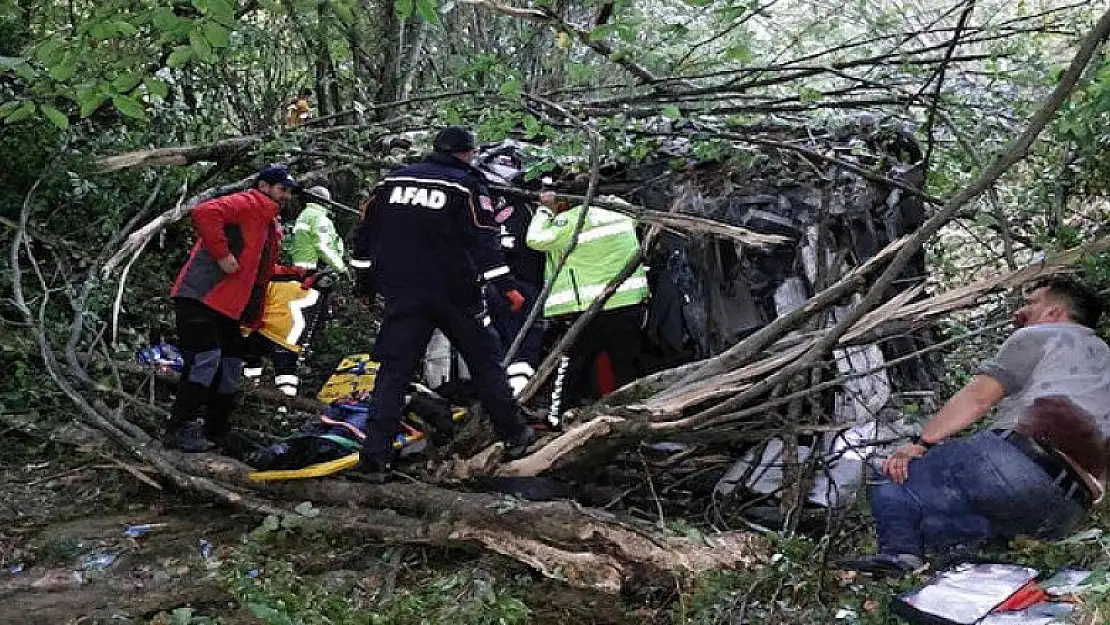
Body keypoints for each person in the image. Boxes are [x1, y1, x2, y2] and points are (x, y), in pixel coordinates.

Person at [841, 277, 1110, 577]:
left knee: (889, 470)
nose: (1021, 310)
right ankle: (956, 565)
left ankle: (898, 555)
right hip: (1068, 509)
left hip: (1020, 463)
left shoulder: (1043, 334)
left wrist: (921, 443)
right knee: (941, 523)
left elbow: (978, 397)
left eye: (1032, 303)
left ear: (1054, 312)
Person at [350, 126, 537, 479]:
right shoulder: (465, 186)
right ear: (466, 153)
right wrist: (507, 286)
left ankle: (373, 460)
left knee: (393, 374)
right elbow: (485, 241)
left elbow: (362, 237)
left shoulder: (389, 184)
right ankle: (515, 434)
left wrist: (364, 283)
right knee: (486, 363)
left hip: (403, 293)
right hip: (455, 293)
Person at [166, 166, 303, 452]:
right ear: (265, 186)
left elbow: (259, 267)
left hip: (227, 306)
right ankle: (181, 428)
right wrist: (222, 254)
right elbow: (204, 212)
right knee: (206, 359)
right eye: (282, 189)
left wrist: (298, 274)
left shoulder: (269, 223)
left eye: (289, 191)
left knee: (230, 365)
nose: (286, 196)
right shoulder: (249, 203)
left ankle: (216, 431)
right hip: (201, 296)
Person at [526, 190, 650, 423]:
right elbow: (638, 215)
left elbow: (535, 240)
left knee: (574, 365)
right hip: (628, 302)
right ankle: (631, 414)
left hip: (588, 308)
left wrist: (544, 210)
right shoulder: (620, 216)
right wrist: (614, 200)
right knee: (625, 363)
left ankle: (558, 418)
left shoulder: (570, 220)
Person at [472, 141, 547, 396]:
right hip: (516, 282)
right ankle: (517, 395)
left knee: (504, 338)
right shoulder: (520, 200)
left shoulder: (478, 201)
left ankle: (506, 391)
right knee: (522, 339)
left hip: (493, 282)